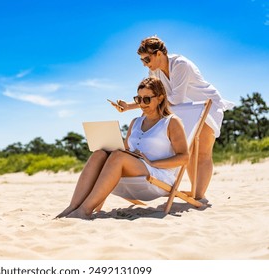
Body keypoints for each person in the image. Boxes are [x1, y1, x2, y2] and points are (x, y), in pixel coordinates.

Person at [112, 36, 234, 200]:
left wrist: (139, 106)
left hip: (205, 105)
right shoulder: (153, 71)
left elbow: (175, 98)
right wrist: (128, 106)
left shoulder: (180, 64)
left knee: (203, 152)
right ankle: (196, 193)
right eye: (142, 60)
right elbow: (152, 98)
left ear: (159, 54)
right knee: (189, 150)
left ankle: (199, 196)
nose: (145, 63)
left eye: (147, 59)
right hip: (182, 108)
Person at [57, 77, 189, 219]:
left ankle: (84, 210)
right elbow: (126, 151)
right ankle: (72, 207)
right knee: (99, 154)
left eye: (147, 99)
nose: (142, 104)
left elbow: (184, 157)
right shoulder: (135, 122)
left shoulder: (171, 122)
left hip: (158, 174)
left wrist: (152, 163)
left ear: (160, 98)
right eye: (139, 99)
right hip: (136, 167)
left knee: (118, 156)